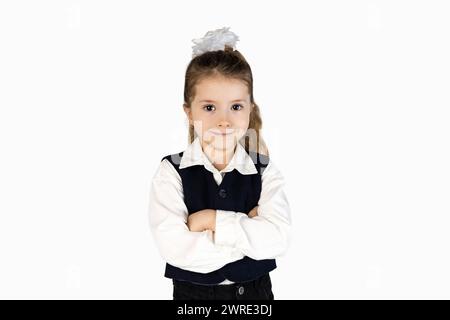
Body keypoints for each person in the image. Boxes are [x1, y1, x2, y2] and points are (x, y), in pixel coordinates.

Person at [148, 27, 292, 300]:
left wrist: (209, 220)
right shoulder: (171, 172)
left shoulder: (265, 170)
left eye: (236, 107)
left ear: (250, 109)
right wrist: (248, 234)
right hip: (194, 300)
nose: (223, 121)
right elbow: (176, 249)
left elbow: (278, 240)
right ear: (189, 111)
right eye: (209, 107)